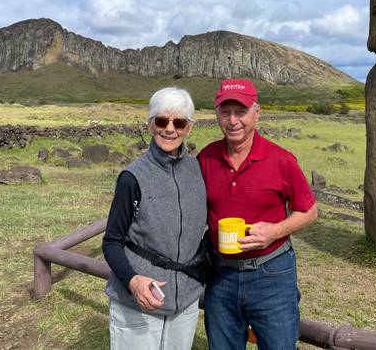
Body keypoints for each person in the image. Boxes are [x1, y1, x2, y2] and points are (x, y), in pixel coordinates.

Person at [198, 78, 318, 350]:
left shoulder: (281, 160)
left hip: (272, 272)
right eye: (225, 112)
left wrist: (274, 231)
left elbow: (309, 211)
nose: (232, 121)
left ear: (256, 112)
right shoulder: (206, 158)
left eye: (240, 112)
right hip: (220, 273)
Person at [102, 87, 207, 350]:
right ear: (150, 124)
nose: (169, 129)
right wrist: (132, 281)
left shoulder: (197, 170)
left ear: (189, 128)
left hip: (185, 298)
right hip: (140, 298)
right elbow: (112, 241)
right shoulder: (132, 178)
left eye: (179, 122)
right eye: (162, 120)